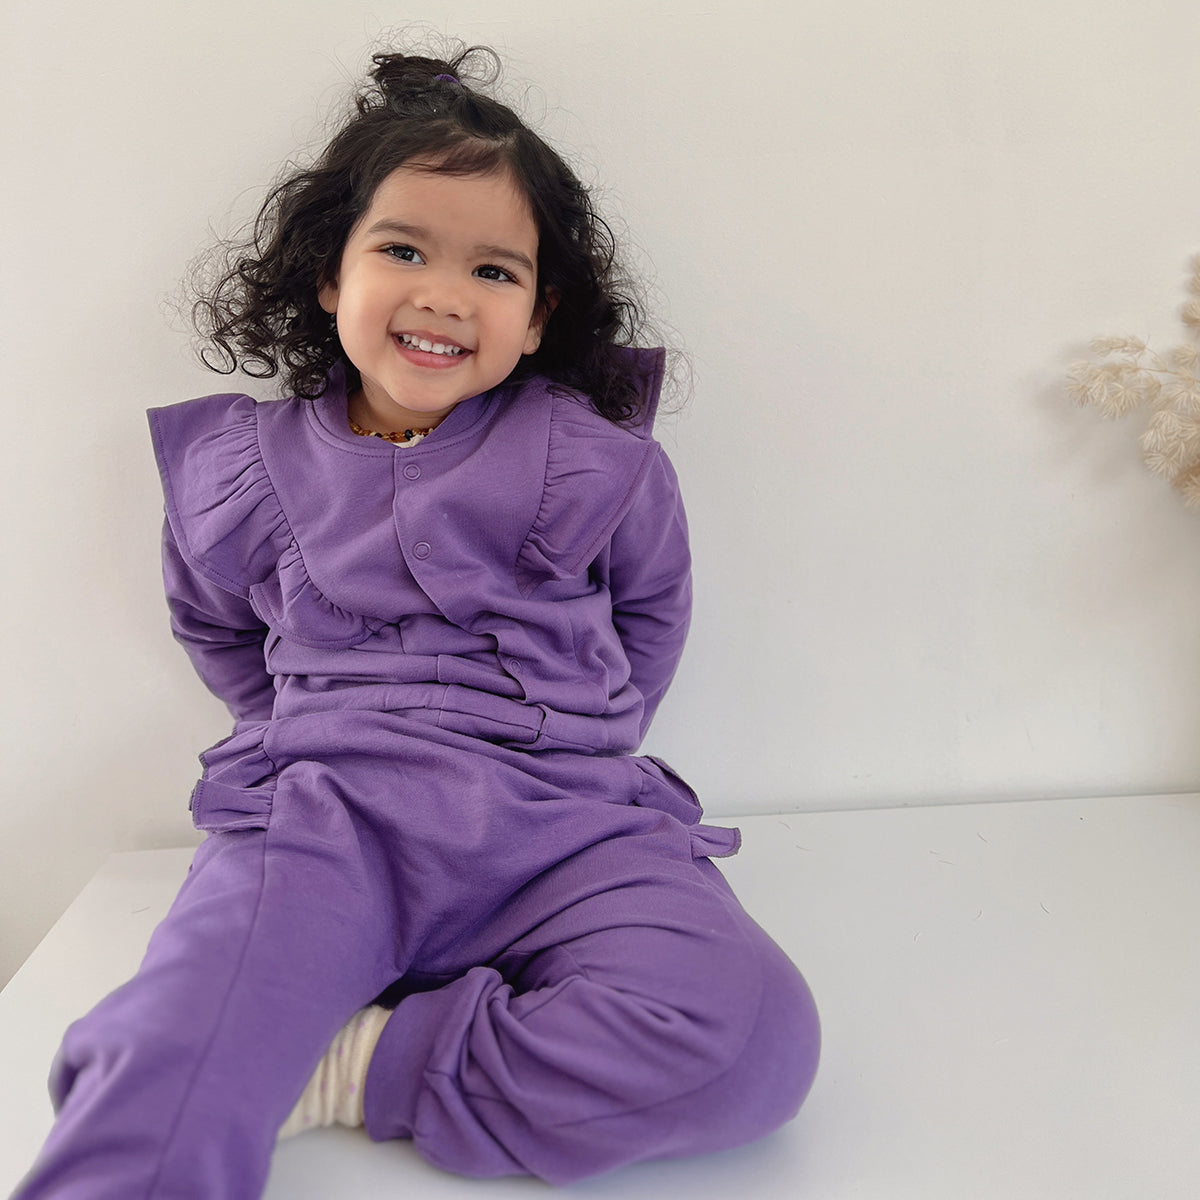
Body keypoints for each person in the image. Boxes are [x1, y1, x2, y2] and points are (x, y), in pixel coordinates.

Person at [15, 43, 820, 1199]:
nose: (443, 293)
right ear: (331, 279)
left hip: (566, 826)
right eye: (401, 251)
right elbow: (215, 628)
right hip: (325, 818)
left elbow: (651, 613)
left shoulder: (596, 464)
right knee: (162, 1052)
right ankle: (261, 1039)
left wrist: (574, 734)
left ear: (539, 318)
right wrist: (307, 736)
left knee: (753, 1041)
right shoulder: (244, 467)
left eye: (493, 272)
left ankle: (354, 1065)